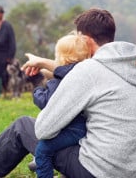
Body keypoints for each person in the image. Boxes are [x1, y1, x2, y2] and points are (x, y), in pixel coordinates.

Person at [0, 8, 136, 178]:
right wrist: (43, 63)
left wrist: (39, 83)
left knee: (24, 126)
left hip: (100, 172)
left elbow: (43, 129)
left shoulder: (89, 72)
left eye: (77, 38)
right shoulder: (135, 66)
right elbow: (77, 70)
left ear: (86, 41)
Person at [32, 32, 91, 178]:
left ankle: (43, 171)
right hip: (82, 127)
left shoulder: (61, 80)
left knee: (42, 150)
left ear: (62, 59)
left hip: (71, 129)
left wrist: (37, 88)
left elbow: (46, 102)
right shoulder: (84, 74)